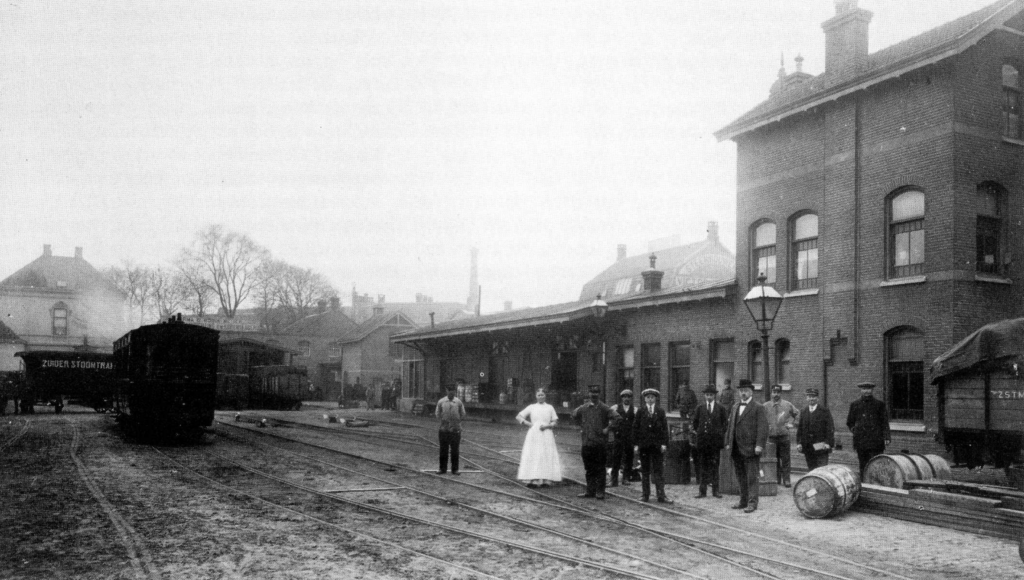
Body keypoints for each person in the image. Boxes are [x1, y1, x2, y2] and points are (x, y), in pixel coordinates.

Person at [724, 379, 768, 513]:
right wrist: (728, 442)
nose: (743, 393)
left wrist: (759, 445)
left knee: (752, 477)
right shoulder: (735, 406)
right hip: (736, 448)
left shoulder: (758, 407)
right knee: (740, 476)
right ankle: (743, 501)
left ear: (751, 392)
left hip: (751, 449)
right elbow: (730, 426)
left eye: (746, 391)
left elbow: (763, 428)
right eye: (741, 391)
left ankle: (752, 503)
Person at [572, 385, 620, 499]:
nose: (594, 395)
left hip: (600, 444)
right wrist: (582, 426)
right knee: (589, 468)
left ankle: (600, 491)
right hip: (587, 443)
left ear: (599, 394)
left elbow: (617, 418)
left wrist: (608, 429)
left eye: (596, 393)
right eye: (591, 393)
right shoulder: (583, 408)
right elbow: (574, 415)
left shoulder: (604, 408)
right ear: (589, 394)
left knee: (600, 468)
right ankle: (590, 491)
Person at [632, 388, 674, 504]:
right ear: (645, 399)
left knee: (658, 471)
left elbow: (665, 429)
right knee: (645, 471)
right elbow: (635, 428)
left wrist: (664, 443)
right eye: (648, 397)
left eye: (652, 397)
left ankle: (661, 495)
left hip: (657, 446)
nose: (650, 399)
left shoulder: (660, 411)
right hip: (644, 446)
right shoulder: (640, 411)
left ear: (655, 398)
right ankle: (645, 495)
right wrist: (636, 444)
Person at [515, 389, 563, 488]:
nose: (541, 397)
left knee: (546, 454)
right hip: (534, 434)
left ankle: (546, 479)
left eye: (542, 395)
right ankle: (533, 479)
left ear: (545, 396)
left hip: (546, 433)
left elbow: (555, 421)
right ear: (536, 396)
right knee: (533, 453)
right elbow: (519, 416)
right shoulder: (532, 407)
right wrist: (528, 424)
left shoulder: (550, 407)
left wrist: (548, 426)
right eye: (539, 395)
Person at [691, 383, 728, 499]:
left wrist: (718, 433)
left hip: (715, 443)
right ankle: (702, 491)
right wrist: (701, 433)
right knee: (703, 466)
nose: (709, 397)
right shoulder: (700, 408)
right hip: (703, 442)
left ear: (715, 396)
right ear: (704, 396)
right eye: (707, 395)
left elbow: (725, 424)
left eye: (711, 395)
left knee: (715, 466)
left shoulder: (721, 408)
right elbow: (695, 423)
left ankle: (716, 491)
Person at [846, 382, 890, 476]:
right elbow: (849, 422)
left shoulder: (879, 404)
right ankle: (864, 485)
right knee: (863, 464)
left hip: (876, 441)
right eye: (864, 389)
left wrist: (886, 437)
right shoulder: (855, 404)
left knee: (876, 464)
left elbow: (884, 422)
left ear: (872, 390)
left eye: (868, 389)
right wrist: (856, 430)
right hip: (861, 441)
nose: (866, 391)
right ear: (861, 390)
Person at [762, 384, 798, 487]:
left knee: (785, 459)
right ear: (771, 393)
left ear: (781, 393)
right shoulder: (765, 406)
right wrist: (766, 427)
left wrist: (792, 424)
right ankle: (776, 479)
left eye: (778, 392)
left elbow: (798, 414)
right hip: (771, 437)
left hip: (784, 436)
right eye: (774, 392)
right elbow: (760, 419)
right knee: (773, 459)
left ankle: (786, 479)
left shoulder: (788, 405)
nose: (776, 394)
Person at [797, 388, 835, 471]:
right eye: (809, 396)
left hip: (821, 445)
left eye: (813, 396)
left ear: (817, 398)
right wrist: (799, 443)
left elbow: (830, 428)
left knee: (821, 469)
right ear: (807, 398)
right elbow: (800, 428)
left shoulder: (824, 411)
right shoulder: (804, 411)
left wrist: (828, 443)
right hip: (808, 446)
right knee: (811, 469)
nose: (811, 399)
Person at [435, 382, 466, 475]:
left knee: (455, 450)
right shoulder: (441, 402)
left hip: (455, 430)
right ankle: (442, 469)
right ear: (446, 391)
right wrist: (442, 422)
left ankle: (455, 469)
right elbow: (437, 413)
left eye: (453, 392)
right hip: (444, 430)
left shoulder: (458, 402)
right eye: (449, 392)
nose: (451, 394)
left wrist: (457, 423)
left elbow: (463, 414)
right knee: (443, 450)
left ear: (455, 392)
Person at [609, 389, 637, 487]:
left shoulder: (635, 410)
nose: (626, 399)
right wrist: (613, 428)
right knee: (616, 457)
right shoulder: (616, 408)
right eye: (624, 397)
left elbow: (637, 424)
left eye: (628, 397)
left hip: (629, 437)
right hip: (619, 436)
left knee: (628, 458)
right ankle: (614, 480)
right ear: (622, 398)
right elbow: (610, 419)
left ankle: (626, 478)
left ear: (631, 398)